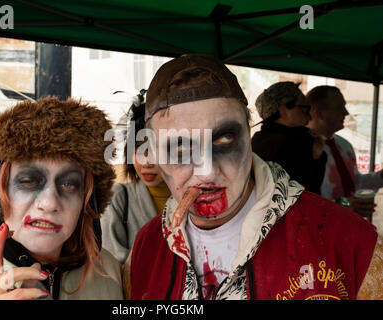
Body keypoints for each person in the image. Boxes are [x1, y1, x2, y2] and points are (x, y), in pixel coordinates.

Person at [124, 54, 383, 300]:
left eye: (224, 139)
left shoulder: (352, 244)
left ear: (249, 136)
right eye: (180, 148)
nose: (207, 171)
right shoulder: (144, 250)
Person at [0, 97, 123, 300]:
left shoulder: (110, 272)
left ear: (87, 201)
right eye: (28, 181)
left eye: (69, 184)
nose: (49, 203)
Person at [101, 92, 170, 263]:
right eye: (139, 149)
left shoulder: (191, 198)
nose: (146, 162)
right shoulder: (119, 198)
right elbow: (109, 259)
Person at [306, 85, 383, 218]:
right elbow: (303, 201)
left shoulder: (344, 145)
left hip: (349, 230)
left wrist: (380, 177)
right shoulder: (302, 148)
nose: (346, 113)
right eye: (339, 108)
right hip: (319, 232)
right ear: (318, 113)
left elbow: (355, 183)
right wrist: (344, 205)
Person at [251, 81, 327, 194]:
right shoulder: (292, 144)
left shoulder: (257, 142)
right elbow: (305, 193)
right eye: (304, 108)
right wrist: (315, 159)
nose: (309, 116)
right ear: (283, 111)